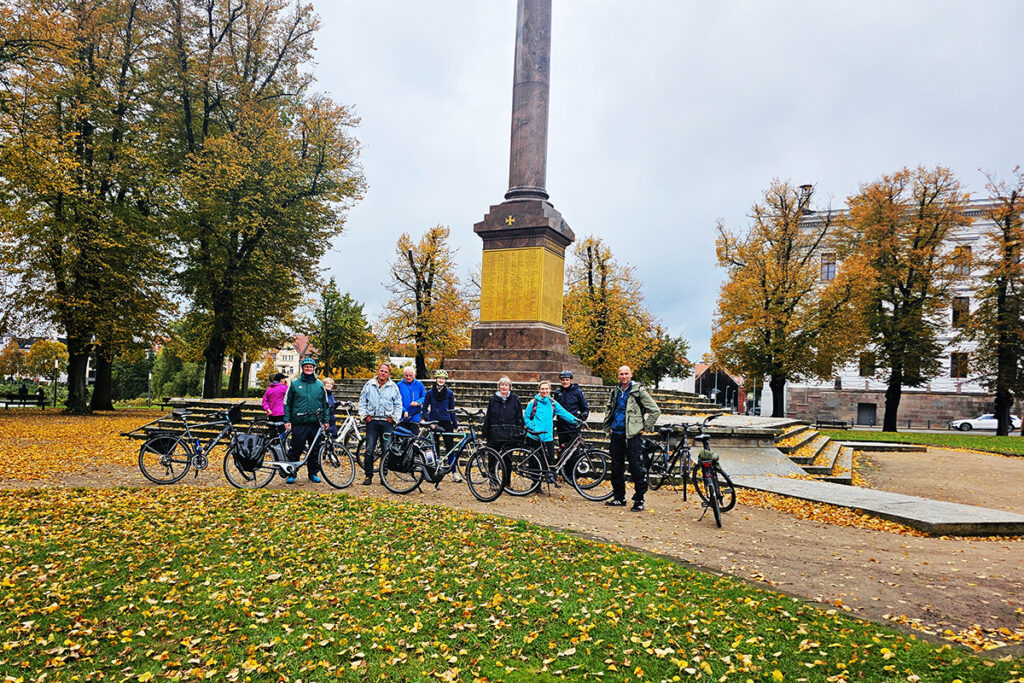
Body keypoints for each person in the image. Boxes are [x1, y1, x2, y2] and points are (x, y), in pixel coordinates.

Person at [601, 365, 661, 512]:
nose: (623, 376)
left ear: (631, 375)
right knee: (616, 468)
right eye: (621, 374)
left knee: (636, 468)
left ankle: (639, 499)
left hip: (632, 436)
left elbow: (655, 410)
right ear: (618, 376)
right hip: (616, 434)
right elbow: (611, 409)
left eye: (626, 374)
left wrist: (644, 427)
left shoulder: (638, 390)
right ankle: (619, 497)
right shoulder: (615, 391)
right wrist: (609, 425)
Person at [283, 358, 329, 484]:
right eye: (306, 366)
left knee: (314, 450)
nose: (309, 368)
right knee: (296, 448)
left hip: (315, 422)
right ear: (302, 368)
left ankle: (313, 473)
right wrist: (287, 420)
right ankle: (291, 473)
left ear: (314, 368)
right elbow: (287, 403)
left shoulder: (320, 385)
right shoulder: (294, 384)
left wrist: (326, 420)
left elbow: (325, 404)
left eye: (311, 366)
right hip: (299, 422)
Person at [357, 363, 403, 485]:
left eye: (386, 371)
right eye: (381, 370)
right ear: (378, 371)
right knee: (369, 449)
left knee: (386, 449)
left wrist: (394, 418)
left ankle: (383, 476)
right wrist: (364, 416)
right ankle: (368, 475)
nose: (383, 373)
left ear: (389, 374)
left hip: (386, 422)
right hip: (372, 421)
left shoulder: (393, 387)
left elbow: (398, 404)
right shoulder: (369, 385)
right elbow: (362, 401)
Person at [523, 380, 579, 469]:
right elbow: (525, 417)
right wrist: (533, 427)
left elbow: (564, 413)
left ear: (549, 390)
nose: (544, 391)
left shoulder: (553, 403)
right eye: (542, 389)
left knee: (549, 460)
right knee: (534, 462)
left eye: (546, 389)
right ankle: (534, 478)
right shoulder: (533, 403)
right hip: (535, 436)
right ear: (539, 390)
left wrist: (577, 421)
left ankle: (547, 476)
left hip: (548, 436)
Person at [482, 376, 524, 451]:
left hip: (510, 433)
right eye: (502, 385)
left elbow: (519, 417)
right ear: (499, 387)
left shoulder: (515, 399)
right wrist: (485, 433)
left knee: (507, 456)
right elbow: (488, 417)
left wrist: (519, 431)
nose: (504, 387)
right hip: (494, 433)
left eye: (506, 385)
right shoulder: (492, 400)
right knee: (493, 456)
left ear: (509, 387)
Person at [422, 369, 458, 453]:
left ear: (445, 380)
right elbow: (424, 408)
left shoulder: (449, 393)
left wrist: (455, 424)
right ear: (436, 379)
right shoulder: (430, 393)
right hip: (434, 421)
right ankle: (436, 460)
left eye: (443, 379)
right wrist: (429, 422)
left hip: (446, 420)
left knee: (449, 446)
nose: (441, 380)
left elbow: (452, 410)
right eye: (439, 378)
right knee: (435, 446)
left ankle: (451, 461)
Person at [553, 370, 589, 450]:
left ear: (571, 380)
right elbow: (554, 408)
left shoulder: (577, 392)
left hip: (573, 426)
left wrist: (583, 418)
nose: (565, 382)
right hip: (561, 426)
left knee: (574, 450)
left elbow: (585, 408)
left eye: (567, 380)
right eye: (563, 380)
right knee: (563, 449)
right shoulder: (557, 393)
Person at [397, 366, 426, 435]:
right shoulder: (399, 385)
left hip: (415, 418)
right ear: (403, 375)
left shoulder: (419, 385)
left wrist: (418, 402)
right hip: (402, 418)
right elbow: (397, 401)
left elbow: (424, 397)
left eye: (410, 375)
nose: (408, 377)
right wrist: (403, 410)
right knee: (401, 439)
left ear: (414, 375)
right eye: (406, 375)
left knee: (414, 438)